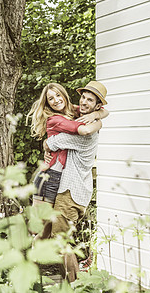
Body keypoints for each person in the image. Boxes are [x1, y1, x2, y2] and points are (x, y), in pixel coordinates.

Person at [42, 80, 108, 282]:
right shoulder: (87, 118)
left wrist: (46, 144)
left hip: (70, 192)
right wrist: (100, 116)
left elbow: (53, 142)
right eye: (83, 97)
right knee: (57, 238)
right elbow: (101, 114)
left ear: (97, 105)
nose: (85, 102)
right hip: (73, 191)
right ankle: (75, 278)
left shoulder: (86, 131)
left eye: (90, 100)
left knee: (61, 242)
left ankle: (75, 283)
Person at [27, 83, 108, 228]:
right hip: (50, 176)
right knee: (40, 230)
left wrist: (98, 116)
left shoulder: (72, 113)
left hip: (63, 183)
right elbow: (83, 131)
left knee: (49, 234)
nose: (83, 102)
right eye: (83, 97)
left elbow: (103, 113)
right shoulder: (57, 119)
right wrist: (99, 121)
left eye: (58, 95)